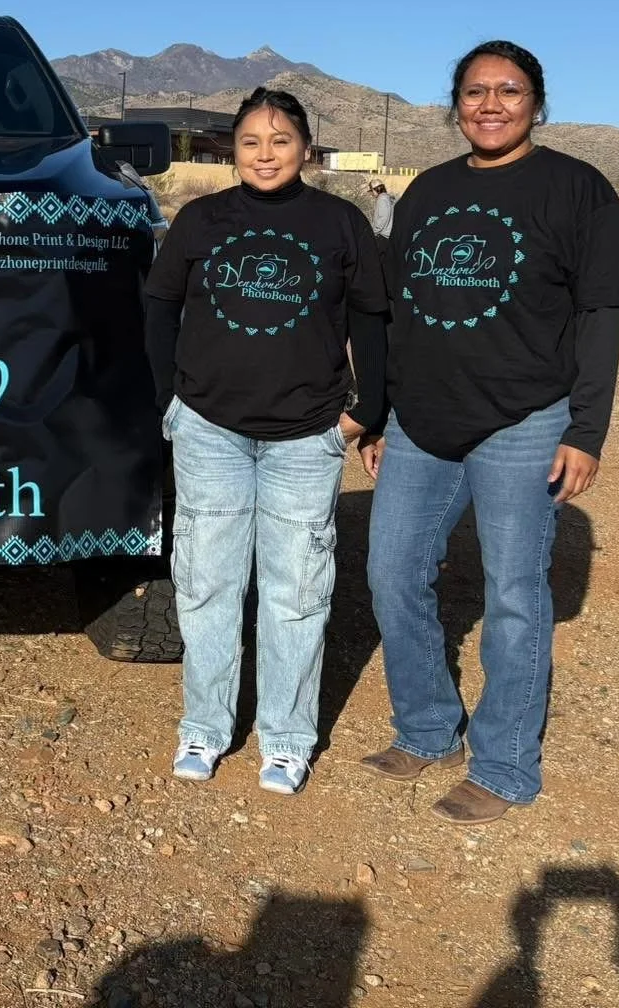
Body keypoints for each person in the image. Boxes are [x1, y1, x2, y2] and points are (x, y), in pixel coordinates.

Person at [360, 40, 619, 824]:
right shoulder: (426, 194)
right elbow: (399, 313)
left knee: (514, 594)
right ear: (455, 105)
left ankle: (505, 766)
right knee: (390, 572)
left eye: (508, 91)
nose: (490, 104)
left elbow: (599, 314)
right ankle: (425, 730)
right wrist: (382, 412)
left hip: (525, 419)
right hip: (422, 421)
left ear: (536, 103)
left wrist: (587, 429)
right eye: (475, 92)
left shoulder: (579, 190)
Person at [144, 88, 389, 794]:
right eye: (251, 141)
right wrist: (169, 400)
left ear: (306, 149)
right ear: (232, 150)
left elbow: (371, 320)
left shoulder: (340, 224)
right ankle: (205, 726)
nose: (266, 153)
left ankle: (286, 738)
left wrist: (364, 410)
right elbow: (160, 306)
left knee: (296, 590)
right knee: (207, 582)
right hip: (210, 432)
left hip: (305, 437)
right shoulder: (201, 220)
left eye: (281, 141)